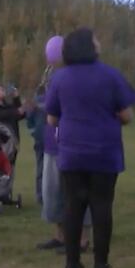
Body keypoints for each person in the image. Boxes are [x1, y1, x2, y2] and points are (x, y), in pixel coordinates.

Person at [46, 28, 135, 268]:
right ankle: (100, 265)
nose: (99, 42)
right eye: (96, 39)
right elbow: (127, 115)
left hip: (72, 153)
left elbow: (52, 118)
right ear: (89, 46)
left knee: (73, 206)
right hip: (104, 153)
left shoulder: (60, 78)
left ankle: (72, 265)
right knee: (102, 206)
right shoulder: (110, 75)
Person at [37, 73, 92, 255]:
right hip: (52, 145)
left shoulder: (82, 88)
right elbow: (46, 112)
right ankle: (60, 236)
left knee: (78, 192)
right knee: (53, 192)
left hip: (75, 145)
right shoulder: (52, 88)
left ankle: (83, 240)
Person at [26, 87, 46, 205]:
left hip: (39, 137)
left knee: (40, 166)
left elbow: (29, 120)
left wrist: (33, 132)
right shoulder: (52, 99)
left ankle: (40, 195)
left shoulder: (34, 103)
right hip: (53, 137)